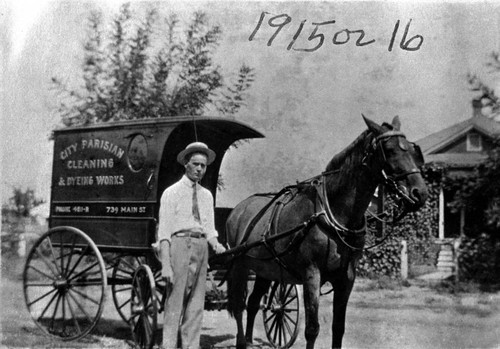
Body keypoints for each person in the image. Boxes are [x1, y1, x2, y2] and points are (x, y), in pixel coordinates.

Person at [157, 141, 226, 349]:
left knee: (196, 306)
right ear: (185, 164)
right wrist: (166, 265)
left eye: (203, 166)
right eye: (195, 164)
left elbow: (209, 228)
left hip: (201, 247)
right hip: (179, 245)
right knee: (175, 304)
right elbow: (164, 232)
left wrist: (216, 245)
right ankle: (168, 346)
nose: (199, 169)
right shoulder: (172, 193)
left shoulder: (206, 196)